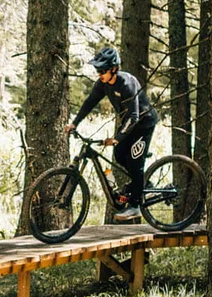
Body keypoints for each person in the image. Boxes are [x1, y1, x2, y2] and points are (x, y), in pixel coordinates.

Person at [66, 47, 156, 222]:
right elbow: (90, 102)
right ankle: (144, 185)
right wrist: (74, 123)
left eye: (102, 71)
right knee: (119, 154)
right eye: (97, 70)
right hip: (129, 124)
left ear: (114, 69)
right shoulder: (103, 84)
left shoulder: (127, 84)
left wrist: (117, 138)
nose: (99, 74)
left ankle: (135, 206)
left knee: (135, 161)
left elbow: (134, 116)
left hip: (144, 124)